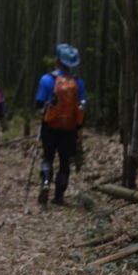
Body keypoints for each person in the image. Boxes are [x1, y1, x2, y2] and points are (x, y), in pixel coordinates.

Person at [35, 44, 86, 205]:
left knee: (48, 157)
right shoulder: (79, 83)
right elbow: (82, 107)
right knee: (64, 163)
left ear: (57, 61)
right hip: (70, 128)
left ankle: (45, 183)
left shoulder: (47, 79)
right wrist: (79, 128)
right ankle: (58, 198)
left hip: (49, 125)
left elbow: (39, 103)